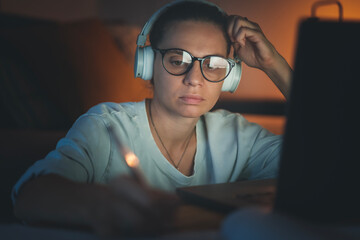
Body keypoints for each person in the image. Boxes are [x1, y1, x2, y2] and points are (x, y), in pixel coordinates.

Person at [12, 0, 292, 237]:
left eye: (214, 64)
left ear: (229, 76)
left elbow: (328, 163)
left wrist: (273, 65)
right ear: (146, 64)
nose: (194, 79)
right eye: (177, 60)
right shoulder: (106, 125)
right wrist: (100, 204)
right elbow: (30, 195)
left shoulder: (238, 134)